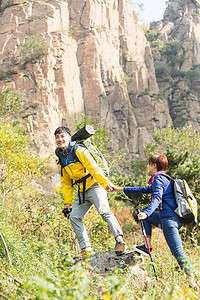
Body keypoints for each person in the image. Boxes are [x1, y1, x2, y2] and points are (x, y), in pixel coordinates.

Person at [112, 154, 197, 289]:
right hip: (168, 219)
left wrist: (146, 213)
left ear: (154, 166)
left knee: (177, 252)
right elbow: (143, 189)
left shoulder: (158, 178)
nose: (147, 166)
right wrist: (118, 189)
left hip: (169, 221)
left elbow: (157, 198)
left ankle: (192, 280)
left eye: (149, 163)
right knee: (146, 216)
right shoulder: (164, 179)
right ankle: (148, 246)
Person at [54, 126, 127, 257]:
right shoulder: (61, 157)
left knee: (104, 212)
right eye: (57, 137)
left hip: (95, 185)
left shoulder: (79, 150)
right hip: (82, 191)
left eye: (62, 136)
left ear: (69, 138)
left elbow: (93, 168)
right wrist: (67, 203)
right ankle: (86, 249)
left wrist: (105, 184)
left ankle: (120, 242)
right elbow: (66, 183)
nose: (60, 139)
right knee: (74, 217)